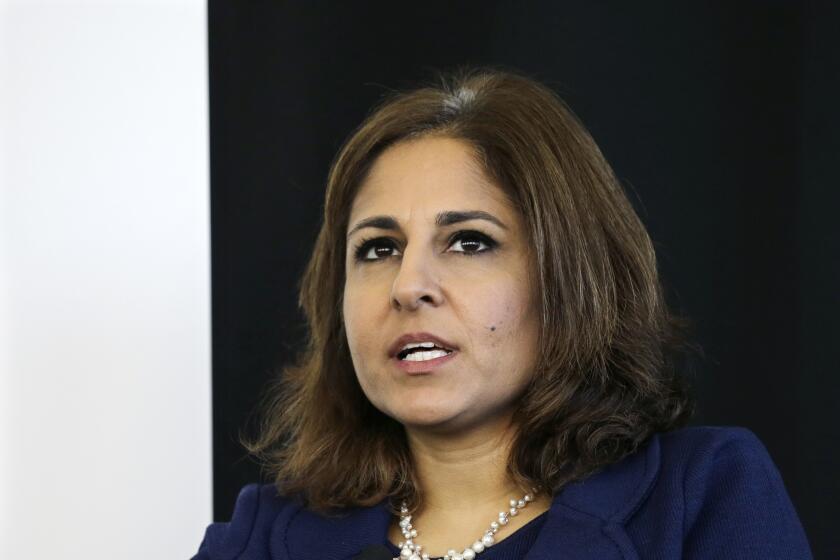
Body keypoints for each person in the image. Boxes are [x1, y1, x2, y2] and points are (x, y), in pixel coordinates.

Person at [192, 68, 812, 560]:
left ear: (567, 278)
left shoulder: (702, 495)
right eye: (378, 249)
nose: (409, 286)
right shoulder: (263, 534)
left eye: (469, 241)